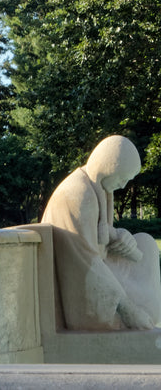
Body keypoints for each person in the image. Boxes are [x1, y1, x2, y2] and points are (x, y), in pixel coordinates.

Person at [41, 135, 161, 330]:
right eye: (122, 178)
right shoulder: (79, 195)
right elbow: (87, 263)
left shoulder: (97, 188)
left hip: (100, 268)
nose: (123, 185)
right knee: (148, 308)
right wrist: (130, 311)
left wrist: (119, 236)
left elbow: (98, 237)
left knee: (146, 243)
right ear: (107, 167)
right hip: (83, 291)